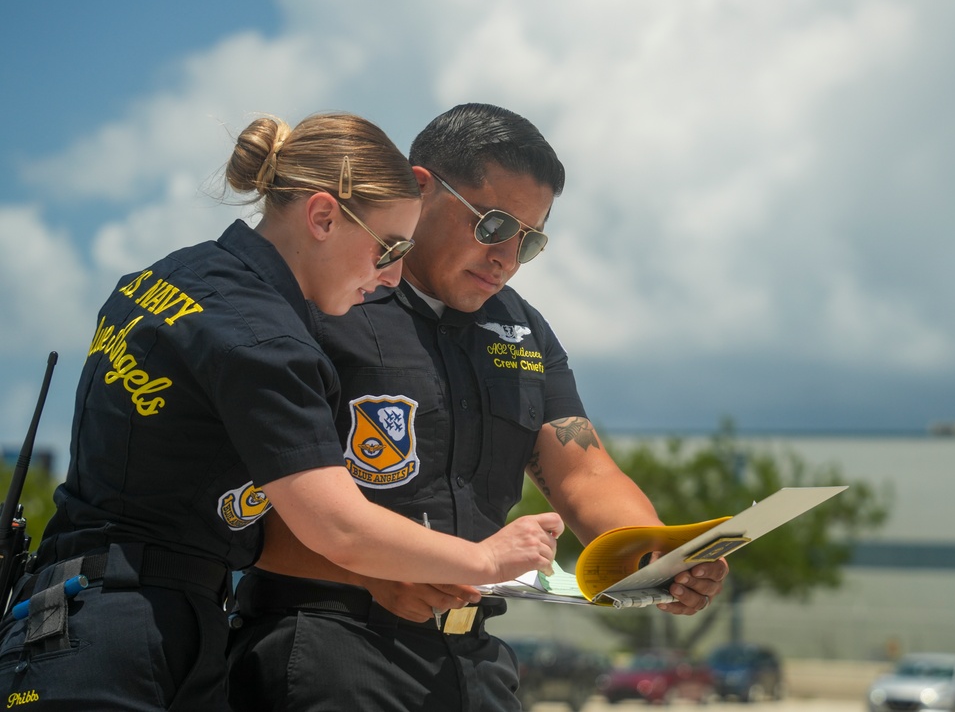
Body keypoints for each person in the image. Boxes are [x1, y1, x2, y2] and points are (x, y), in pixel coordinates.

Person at [0, 111, 563, 711]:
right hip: (130, 631)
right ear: (322, 217)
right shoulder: (265, 340)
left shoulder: (167, 280)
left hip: (81, 614)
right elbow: (338, 525)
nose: (393, 275)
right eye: (389, 247)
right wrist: (485, 558)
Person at [226, 103, 729, 712]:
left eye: (531, 239)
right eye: (493, 225)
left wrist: (655, 557)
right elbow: (261, 496)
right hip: (330, 645)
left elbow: (584, 470)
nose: (508, 258)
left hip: (474, 660)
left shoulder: (522, 329)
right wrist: (368, 571)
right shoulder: (324, 301)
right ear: (420, 189)